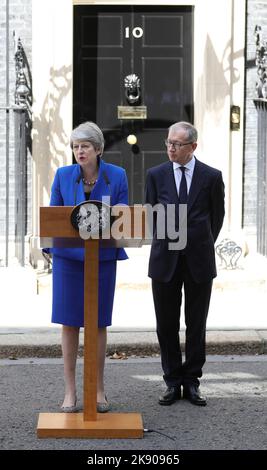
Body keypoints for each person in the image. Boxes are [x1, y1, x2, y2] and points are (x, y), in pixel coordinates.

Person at [48, 121, 128, 413]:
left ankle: (98, 389)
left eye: (84, 146)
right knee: (69, 323)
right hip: (69, 260)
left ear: (98, 149)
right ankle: (70, 393)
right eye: (75, 147)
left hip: (102, 260)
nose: (79, 151)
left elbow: (123, 219)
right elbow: (53, 217)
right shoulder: (63, 175)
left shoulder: (117, 176)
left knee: (98, 323)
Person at [145, 121, 225, 407]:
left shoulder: (211, 176)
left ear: (193, 146)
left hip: (199, 260)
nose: (171, 148)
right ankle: (172, 381)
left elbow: (217, 218)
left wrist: (199, 241)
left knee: (196, 324)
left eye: (177, 144)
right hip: (165, 259)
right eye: (168, 143)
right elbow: (151, 215)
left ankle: (191, 382)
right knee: (166, 324)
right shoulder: (155, 175)